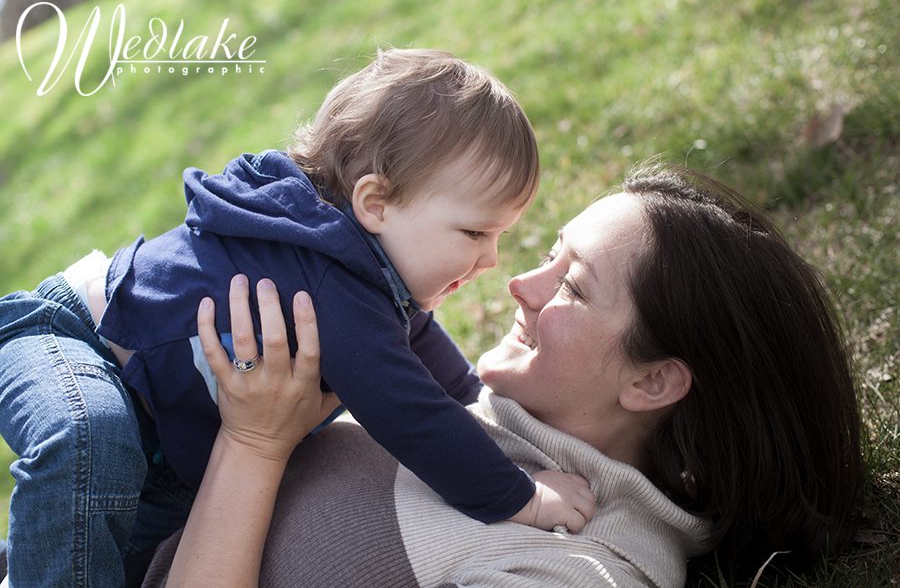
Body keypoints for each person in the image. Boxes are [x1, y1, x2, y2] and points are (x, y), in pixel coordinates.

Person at [0, 49, 595, 588]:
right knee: (89, 438)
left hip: (159, 430)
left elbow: (427, 359)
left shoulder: (364, 272)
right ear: (376, 203)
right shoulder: (325, 272)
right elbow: (412, 414)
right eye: (474, 232)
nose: (490, 258)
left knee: (112, 551)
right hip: (75, 340)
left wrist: (478, 407)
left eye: (499, 236)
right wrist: (522, 498)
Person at [145, 165, 863, 587]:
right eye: (549, 255)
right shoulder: (460, 418)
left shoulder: (581, 569)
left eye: (573, 287)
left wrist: (253, 445)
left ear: (653, 383)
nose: (521, 284)